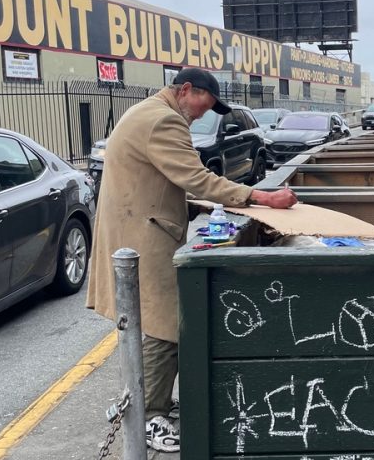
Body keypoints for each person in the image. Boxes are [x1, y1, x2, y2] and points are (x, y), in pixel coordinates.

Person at [85, 67, 297, 453]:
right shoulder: (164, 120)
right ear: (186, 90)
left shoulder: (147, 111)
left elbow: (159, 180)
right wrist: (263, 199)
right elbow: (197, 178)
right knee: (161, 324)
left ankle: (155, 402)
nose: (203, 114)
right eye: (205, 104)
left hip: (134, 227)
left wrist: (197, 206)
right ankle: (148, 416)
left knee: (154, 321)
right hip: (143, 237)